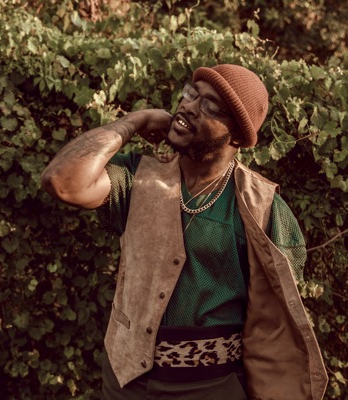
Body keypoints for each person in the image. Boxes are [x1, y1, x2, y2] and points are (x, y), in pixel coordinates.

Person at [41, 64, 328, 399]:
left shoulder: (264, 208)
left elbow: (279, 320)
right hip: (125, 381)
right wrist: (133, 122)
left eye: (210, 106)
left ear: (237, 135)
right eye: (191, 94)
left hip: (211, 387)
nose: (189, 106)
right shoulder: (137, 178)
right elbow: (62, 182)